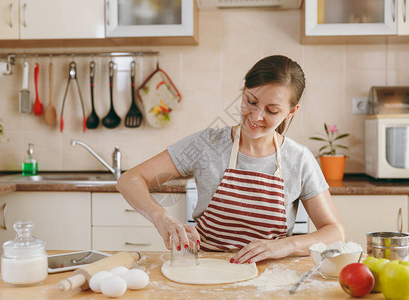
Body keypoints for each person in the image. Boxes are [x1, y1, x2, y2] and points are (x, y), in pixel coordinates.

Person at [117, 55, 345, 264]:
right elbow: (129, 179)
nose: (256, 117)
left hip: (270, 280)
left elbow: (335, 232)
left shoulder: (299, 159)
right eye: (251, 101)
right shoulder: (207, 144)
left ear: (291, 112)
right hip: (204, 272)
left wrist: (285, 245)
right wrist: (161, 218)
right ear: (243, 90)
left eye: (272, 110)